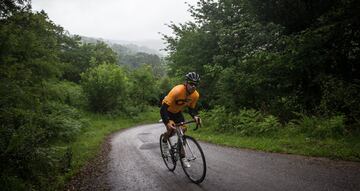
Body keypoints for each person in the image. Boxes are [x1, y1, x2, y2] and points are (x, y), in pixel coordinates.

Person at [160, 72, 202, 168]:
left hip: (177, 112)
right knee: (171, 130)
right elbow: (163, 108)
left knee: (183, 131)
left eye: (195, 84)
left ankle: (182, 157)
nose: (193, 86)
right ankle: (164, 141)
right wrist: (167, 122)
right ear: (186, 83)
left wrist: (195, 116)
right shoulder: (177, 90)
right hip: (167, 111)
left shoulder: (195, 95)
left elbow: (191, 109)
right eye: (191, 83)